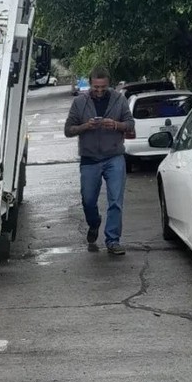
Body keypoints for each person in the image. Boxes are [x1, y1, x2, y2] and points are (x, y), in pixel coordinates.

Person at [64, 67, 135, 255]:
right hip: (90, 158)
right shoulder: (80, 102)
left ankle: (113, 240)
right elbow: (68, 130)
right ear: (90, 83)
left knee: (116, 201)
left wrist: (116, 125)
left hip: (114, 156)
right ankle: (94, 223)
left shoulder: (119, 99)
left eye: (103, 87)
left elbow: (130, 124)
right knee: (88, 200)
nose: (99, 90)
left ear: (109, 84)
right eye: (96, 87)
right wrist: (86, 126)